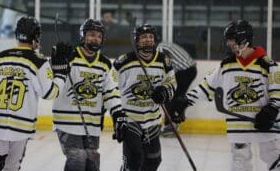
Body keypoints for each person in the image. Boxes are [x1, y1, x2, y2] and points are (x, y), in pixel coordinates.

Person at [171, 20, 280, 171]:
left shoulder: (267, 64)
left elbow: (277, 90)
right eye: (228, 40)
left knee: (273, 157)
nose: (228, 43)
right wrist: (185, 100)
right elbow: (206, 87)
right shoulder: (226, 65)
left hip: (266, 122)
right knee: (239, 162)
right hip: (238, 123)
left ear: (244, 40)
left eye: (232, 40)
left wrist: (272, 109)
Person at [0, 16, 69, 170]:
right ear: (36, 36)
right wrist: (61, 75)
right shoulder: (38, 62)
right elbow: (49, 93)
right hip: (20, 130)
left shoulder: (0, 58)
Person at [52, 18, 127, 171]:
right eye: (92, 34)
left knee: (92, 163)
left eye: (99, 36)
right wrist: (57, 60)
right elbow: (51, 77)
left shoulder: (105, 63)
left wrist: (118, 113)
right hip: (68, 122)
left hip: (91, 124)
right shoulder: (69, 56)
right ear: (83, 36)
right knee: (77, 159)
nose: (95, 38)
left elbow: (111, 92)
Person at [113, 24, 177, 171]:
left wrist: (164, 92)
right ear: (136, 40)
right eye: (143, 37)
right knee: (135, 158)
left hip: (152, 119)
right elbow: (111, 87)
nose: (148, 40)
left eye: (150, 37)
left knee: (154, 161)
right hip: (130, 118)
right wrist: (116, 115)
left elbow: (171, 82)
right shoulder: (124, 61)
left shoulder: (163, 61)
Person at [157, 42, 197, 137]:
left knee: (171, 97)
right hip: (187, 70)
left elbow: (167, 64)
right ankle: (170, 124)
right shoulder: (162, 45)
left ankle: (169, 126)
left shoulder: (160, 49)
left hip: (185, 71)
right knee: (173, 97)